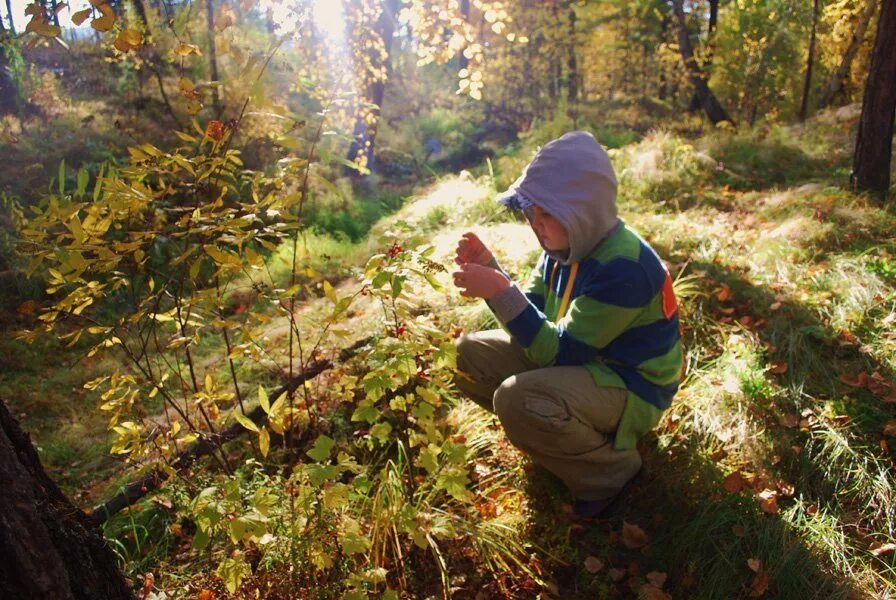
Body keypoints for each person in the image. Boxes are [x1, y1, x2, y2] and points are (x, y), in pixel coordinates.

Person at [451, 131, 682, 519]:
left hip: (631, 384)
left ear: (583, 208)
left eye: (548, 213)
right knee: (468, 354)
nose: (536, 224)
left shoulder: (623, 267)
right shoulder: (564, 247)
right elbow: (535, 313)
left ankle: (610, 472)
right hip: (584, 364)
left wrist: (499, 290)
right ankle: (565, 435)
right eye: (532, 212)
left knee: (516, 398)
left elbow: (558, 353)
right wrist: (492, 272)